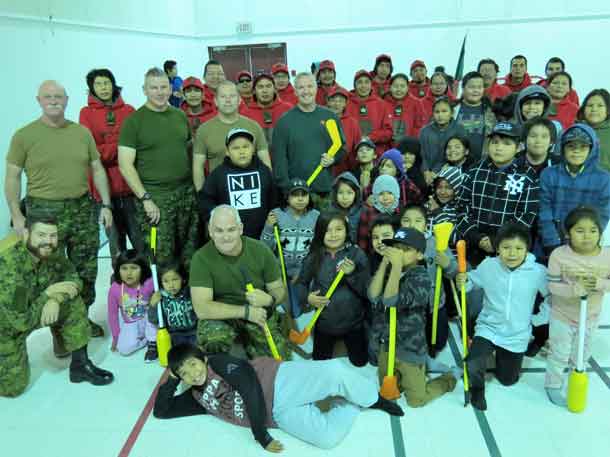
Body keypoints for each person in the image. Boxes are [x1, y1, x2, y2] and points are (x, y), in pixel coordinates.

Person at [5, 80, 112, 338]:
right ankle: (59, 330)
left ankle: (80, 319)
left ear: (66, 100)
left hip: (81, 207)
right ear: (39, 100)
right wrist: (17, 215)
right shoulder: (24, 135)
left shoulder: (81, 133)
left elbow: (97, 169)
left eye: (58, 96)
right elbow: (12, 177)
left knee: (86, 267)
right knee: (51, 270)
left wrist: (106, 205)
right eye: (48, 96)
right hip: (43, 212)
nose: (54, 100)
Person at [153, 344, 403, 451]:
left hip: (278, 381)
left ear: (203, 359)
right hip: (277, 414)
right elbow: (162, 411)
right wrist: (173, 379)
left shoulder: (218, 363)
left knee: (334, 372)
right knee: (328, 439)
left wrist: (261, 436)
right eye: (184, 373)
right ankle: (347, 400)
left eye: (193, 365)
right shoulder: (196, 397)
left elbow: (250, 386)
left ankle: (374, 399)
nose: (193, 374)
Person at [0, 215, 114, 397]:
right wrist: (47, 294)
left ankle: (80, 365)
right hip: (6, 328)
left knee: (72, 301)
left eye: (53, 236)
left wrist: (55, 299)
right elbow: (21, 322)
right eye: (41, 235)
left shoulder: (51, 252)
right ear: (26, 234)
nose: (48, 241)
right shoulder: (10, 268)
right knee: (13, 388)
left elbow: (74, 279)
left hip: (31, 311)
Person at [455, 223, 550, 411]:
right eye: (506, 248)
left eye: (518, 248)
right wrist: (463, 282)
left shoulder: (537, 272)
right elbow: (472, 282)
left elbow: (551, 296)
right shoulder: (489, 266)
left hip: (517, 333)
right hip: (488, 327)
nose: (512, 254)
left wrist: (538, 319)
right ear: (497, 248)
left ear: (527, 249)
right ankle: (478, 389)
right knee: (473, 362)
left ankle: (502, 359)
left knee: (507, 380)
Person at [118, 68, 198, 269]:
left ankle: (187, 296)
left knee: (190, 248)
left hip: (186, 193)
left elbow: (188, 151)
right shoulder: (134, 122)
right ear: (144, 90)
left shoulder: (180, 116)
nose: (160, 92)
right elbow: (125, 165)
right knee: (161, 254)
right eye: (154, 88)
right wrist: (145, 199)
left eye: (163, 87)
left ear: (171, 89)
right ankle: (161, 296)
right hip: (156, 197)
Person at [369, 227, 457, 407]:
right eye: (396, 248)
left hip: (409, 347)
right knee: (387, 390)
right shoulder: (387, 270)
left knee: (416, 400)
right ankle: (414, 371)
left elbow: (390, 300)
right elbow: (372, 295)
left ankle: (450, 377)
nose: (399, 253)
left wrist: (396, 267)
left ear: (419, 255)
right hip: (386, 345)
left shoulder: (422, 278)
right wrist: (385, 263)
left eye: (406, 249)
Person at [190, 205, 291, 360]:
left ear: (240, 229)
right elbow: (202, 308)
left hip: (259, 311)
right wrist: (245, 312)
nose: (225, 237)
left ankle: (252, 344)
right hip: (223, 314)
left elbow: (279, 289)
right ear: (210, 231)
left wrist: (270, 299)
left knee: (279, 361)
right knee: (212, 340)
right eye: (219, 230)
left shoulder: (261, 250)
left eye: (231, 229)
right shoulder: (201, 258)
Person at [545, 206, 610, 407]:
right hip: (562, 316)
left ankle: (575, 376)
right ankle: (553, 384)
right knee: (559, 353)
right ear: (568, 233)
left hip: (590, 316)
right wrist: (575, 289)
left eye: (593, 231)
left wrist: (598, 284)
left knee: (582, 352)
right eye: (579, 231)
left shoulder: (607, 255)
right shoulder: (558, 255)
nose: (587, 236)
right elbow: (552, 286)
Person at [456, 121, 539, 266]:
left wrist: (498, 240)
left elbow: (527, 215)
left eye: (506, 143)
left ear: (518, 147)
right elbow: (461, 207)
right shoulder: (475, 170)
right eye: (494, 142)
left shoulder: (527, 175)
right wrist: (477, 237)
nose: (499, 148)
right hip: (473, 246)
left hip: (509, 249)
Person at [79, 68, 142, 261]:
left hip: (131, 189)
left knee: (144, 242)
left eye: (106, 83)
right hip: (104, 195)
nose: (103, 87)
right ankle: (119, 288)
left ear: (113, 84)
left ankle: (149, 285)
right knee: (115, 247)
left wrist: (108, 149)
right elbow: (91, 152)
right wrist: (123, 150)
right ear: (91, 88)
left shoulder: (129, 110)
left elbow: (138, 145)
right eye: (98, 84)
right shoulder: (86, 114)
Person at [294, 210, 371, 367]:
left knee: (360, 363)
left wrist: (351, 274)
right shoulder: (314, 256)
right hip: (324, 323)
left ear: (347, 231)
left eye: (338, 229)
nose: (333, 235)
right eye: (327, 230)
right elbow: (300, 284)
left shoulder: (357, 254)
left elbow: (367, 290)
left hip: (354, 324)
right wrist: (307, 297)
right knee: (320, 365)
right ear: (320, 233)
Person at [272, 72, 347, 210]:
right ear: (295, 91)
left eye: (310, 86)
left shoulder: (330, 117)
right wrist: (287, 190)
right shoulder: (284, 122)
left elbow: (341, 148)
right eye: (301, 87)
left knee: (325, 231)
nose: (306, 91)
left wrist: (333, 158)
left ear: (316, 89)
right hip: (296, 194)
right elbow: (279, 161)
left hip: (324, 192)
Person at [538, 124, 610, 255]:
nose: (576, 151)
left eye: (583, 147)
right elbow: (544, 210)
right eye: (571, 146)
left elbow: (603, 215)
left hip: (587, 243)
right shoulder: (548, 174)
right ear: (562, 148)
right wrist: (551, 240)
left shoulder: (604, 178)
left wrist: (588, 241)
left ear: (592, 149)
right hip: (552, 243)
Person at [399, 205, 458, 362]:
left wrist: (448, 265)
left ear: (426, 224)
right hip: (410, 307)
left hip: (435, 305)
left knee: (438, 343)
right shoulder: (397, 244)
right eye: (406, 221)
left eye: (418, 221)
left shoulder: (436, 243)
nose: (412, 225)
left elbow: (454, 272)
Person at [199, 128, 276, 239]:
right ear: (227, 152)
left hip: (262, 234)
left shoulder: (264, 171)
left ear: (253, 149)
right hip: (230, 236)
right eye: (235, 148)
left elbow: (274, 198)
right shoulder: (218, 174)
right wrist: (217, 219)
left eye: (246, 146)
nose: (241, 151)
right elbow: (205, 200)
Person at [193, 81, 270, 190]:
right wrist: (202, 196)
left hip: (252, 191)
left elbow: (265, 162)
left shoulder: (254, 126)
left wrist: (267, 191)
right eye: (223, 96)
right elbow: (198, 167)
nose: (228, 100)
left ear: (239, 100)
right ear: (215, 101)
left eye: (232, 96)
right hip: (219, 194)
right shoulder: (204, 130)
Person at [260, 178, 319, 318]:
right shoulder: (277, 215)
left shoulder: (316, 217)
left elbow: (317, 249)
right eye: (295, 195)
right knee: (281, 306)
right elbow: (264, 248)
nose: (300, 199)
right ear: (287, 197)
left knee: (302, 307)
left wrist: (303, 272)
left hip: (304, 272)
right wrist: (268, 227)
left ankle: (303, 322)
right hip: (280, 270)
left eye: (304, 195)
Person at [107, 249, 157, 361]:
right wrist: (116, 338)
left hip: (149, 319)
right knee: (123, 349)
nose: (128, 273)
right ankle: (145, 340)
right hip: (131, 322)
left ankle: (151, 341)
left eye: (134, 268)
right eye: (124, 268)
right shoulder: (115, 288)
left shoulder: (149, 283)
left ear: (142, 269)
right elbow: (112, 315)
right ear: (118, 270)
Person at [148, 260, 198, 346]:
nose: (171, 285)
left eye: (175, 279)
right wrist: (152, 306)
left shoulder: (189, 292)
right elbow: (153, 320)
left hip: (194, 331)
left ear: (183, 279)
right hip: (175, 334)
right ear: (161, 282)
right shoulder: (159, 297)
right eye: (166, 281)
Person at [420, 97, 467, 184]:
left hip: (451, 172)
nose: (440, 115)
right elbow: (423, 155)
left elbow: (458, 154)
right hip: (426, 174)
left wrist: (436, 171)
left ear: (452, 113)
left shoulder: (459, 130)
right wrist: (426, 171)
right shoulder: (425, 131)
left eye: (444, 111)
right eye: (437, 112)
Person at [345, 70, 393, 156]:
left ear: (371, 85)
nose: (363, 86)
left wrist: (371, 137)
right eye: (360, 82)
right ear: (354, 85)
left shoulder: (382, 104)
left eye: (367, 82)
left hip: (376, 155)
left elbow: (388, 132)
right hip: (351, 155)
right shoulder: (347, 103)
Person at [453, 72, 496, 163]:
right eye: (472, 87)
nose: (476, 90)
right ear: (463, 88)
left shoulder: (491, 112)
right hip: (455, 163)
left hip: (482, 163)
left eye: (479, 87)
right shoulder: (452, 110)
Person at [240, 73, 292, 148]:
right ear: (254, 91)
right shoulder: (244, 114)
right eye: (260, 87)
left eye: (268, 86)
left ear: (274, 89)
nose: (265, 90)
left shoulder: (288, 109)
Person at [358, 175, 401, 253]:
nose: (386, 198)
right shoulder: (368, 212)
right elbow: (362, 242)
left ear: (396, 194)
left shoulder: (400, 213)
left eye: (390, 193)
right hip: (374, 256)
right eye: (381, 194)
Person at [326, 87, 362, 175]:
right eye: (333, 100)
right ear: (328, 102)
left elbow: (357, 147)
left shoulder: (353, 123)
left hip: (346, 171)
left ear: (345, 103)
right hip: (323, 169)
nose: (337, 104)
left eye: (340, 101)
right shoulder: (320, 119)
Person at [384, 73, 427, 142]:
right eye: (395, 86)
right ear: (390, 87)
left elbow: (420, 126)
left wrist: (409, 143)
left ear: (407, 88)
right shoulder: (383, 103)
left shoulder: (417, 103)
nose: (399, 89)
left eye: (402, 86)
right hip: (387, 147)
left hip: (409, 147)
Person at [577, 89, 610, 174]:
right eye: (590, 105)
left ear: (608, 110)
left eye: (600, 105)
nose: (594, 109)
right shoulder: (574, 130)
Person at [331, 172, 363, 244]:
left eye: (349, 193)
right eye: (340, 193)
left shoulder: (362, 212)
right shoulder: (330, 212)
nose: (345, 197)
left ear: (356, 193)